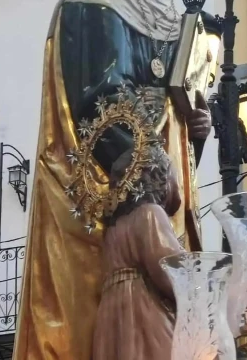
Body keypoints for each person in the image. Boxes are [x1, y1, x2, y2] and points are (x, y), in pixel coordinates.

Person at [13, 0, 212, 358]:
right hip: (117, 197)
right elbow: (98, 101)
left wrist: (193, 129)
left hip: (157, 188)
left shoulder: (178, 19)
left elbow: (173, 122)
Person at [93, 148, 185, 360]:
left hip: (112, 313)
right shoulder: (150, 213)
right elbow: (167, 266)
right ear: (159, 176)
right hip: (143, 305)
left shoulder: (113, 229)